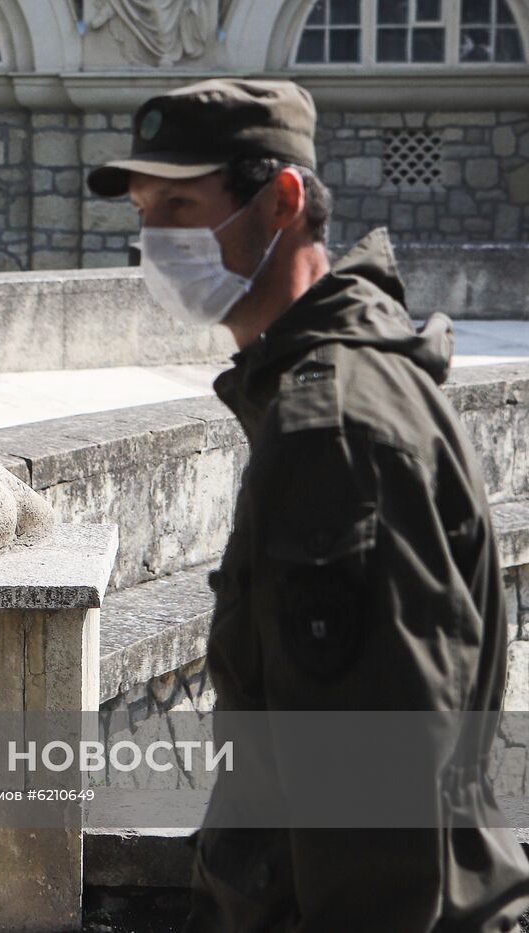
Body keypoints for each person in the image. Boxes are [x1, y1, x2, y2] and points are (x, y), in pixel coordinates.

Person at [86, 77, 529, 932]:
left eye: (180, 205)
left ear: (282, 200)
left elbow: (374, 799)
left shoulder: (331, 429)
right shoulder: (344, 384)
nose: (155, 240)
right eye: (144, 213)